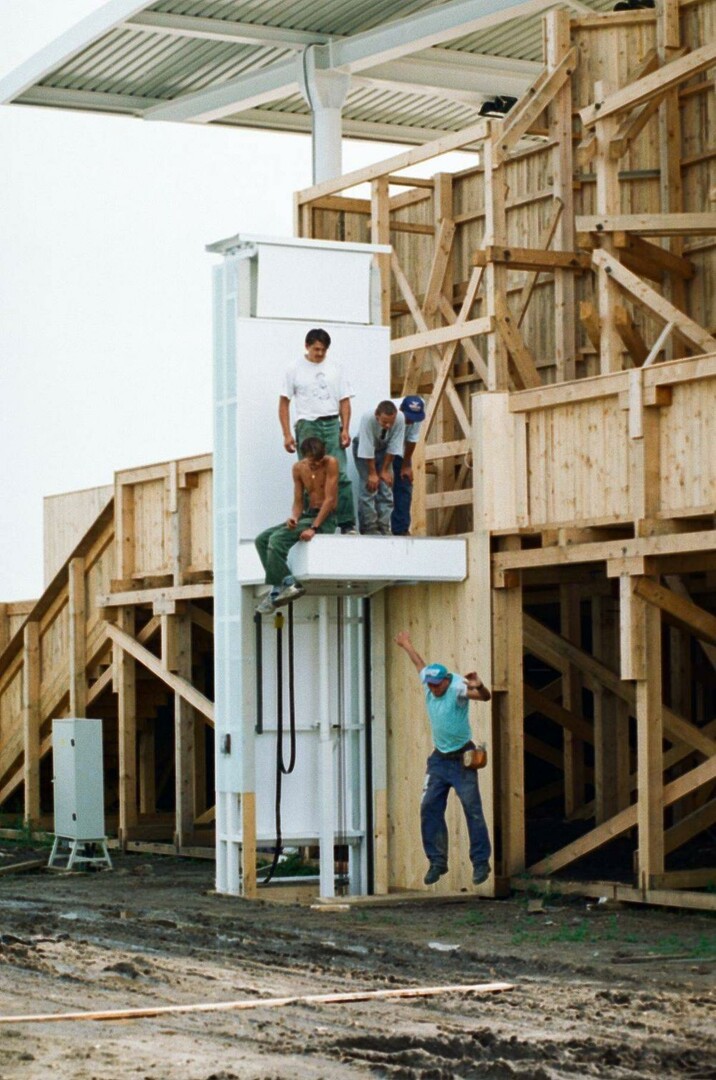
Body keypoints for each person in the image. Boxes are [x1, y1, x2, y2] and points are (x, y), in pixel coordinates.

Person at [394, 629, 493, 887]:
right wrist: (406, 644)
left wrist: (479, 685)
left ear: (447, 681)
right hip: (439, 759)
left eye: (437, 685)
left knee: (472, 810)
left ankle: (481, 862)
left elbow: (484, 697)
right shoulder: (429, 683)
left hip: (462, 758)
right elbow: (420, 664)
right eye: (430, 684)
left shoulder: (458, 689)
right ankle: (437, 861)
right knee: (429, 807)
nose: (433, 689)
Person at [279, 328, 357, 535]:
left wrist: (345, 428)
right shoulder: (294, 368)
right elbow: (284, 402)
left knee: (339, 471)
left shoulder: (336, 368)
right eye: (316, 349)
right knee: (309, 471)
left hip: (331, 421)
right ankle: (309, 517)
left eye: (323, 350)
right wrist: (287, 433)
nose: (320, 353)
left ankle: (347, 521)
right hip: (307, 423)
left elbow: (345, 400)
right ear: (307, 346)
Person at [255, 437, 338, 614]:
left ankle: (285, 585)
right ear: (304, 456)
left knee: (277, 539)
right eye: (311, 462)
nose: (315, 465)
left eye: (318, 461)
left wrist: (314, 528)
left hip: (325, 517)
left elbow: (330, 499)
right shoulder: (298, 469)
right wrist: (294, 517)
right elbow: (298, 501)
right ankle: (282, 584)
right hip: (306, 515)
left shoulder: (331, 463)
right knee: (261, 539)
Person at [352, 400, 405, 535]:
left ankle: (384, 525)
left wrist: (384, 470)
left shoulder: (400, 418)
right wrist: (372, 473)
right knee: (369, 486)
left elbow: (394, 445)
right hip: (364, 449)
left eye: (390, 422)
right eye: (384, 422)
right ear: (377, 416)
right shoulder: (368, 419)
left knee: (386, 486)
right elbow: (366, 447)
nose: (388, 425)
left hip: (384, 449)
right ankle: (369, 526)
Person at [391, 394, 425, 536]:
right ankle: (377, 527)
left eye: (414, 418)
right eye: (408, 418)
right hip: (382, 447)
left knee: (405, 483)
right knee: (382, 487)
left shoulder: (419, 410)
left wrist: (406, 465)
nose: (411, 421)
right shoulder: (391, 411)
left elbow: (412, 438)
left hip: (401, 450)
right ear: (400, 410)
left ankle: (401, 528)